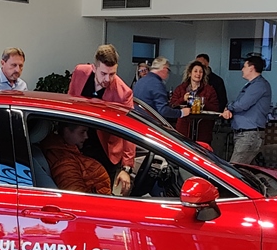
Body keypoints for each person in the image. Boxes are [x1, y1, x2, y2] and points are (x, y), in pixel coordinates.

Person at [67, 44, 136, 195]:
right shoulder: (80, 72)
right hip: (77, 142)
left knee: (101, 195)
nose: (108, 79)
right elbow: (69, 103)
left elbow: (129, 130)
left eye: (112, 74)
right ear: (94, 67)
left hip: (104, 148)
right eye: (104, 73)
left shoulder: (123, 93)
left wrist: (127, 168)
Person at [222, 55, 272, 165]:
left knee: (234, 169)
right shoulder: (253, 85)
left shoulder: (258, 85)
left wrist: (229, 107)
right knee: (245, 170)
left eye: (244, 66)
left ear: (251, 68)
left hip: (249, 135)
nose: (242, 69)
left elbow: (242, 104)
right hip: (246, 134)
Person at [40, 123, 112, 195]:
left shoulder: (66, 151)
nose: (86, 136)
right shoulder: (64, 161)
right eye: (82, 132)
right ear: (66, 131)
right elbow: (76, 195)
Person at [170, 59, 219, 142]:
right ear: (190, 73)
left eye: (201, 72)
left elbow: (216, 108)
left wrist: (203, 102)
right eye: (195, 71)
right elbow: (172, 105)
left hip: (203, 131)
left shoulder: (209, 90)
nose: (198, 74)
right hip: (183, 130)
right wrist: (183, 99)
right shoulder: (181, 89)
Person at [133, 57, 191, 123]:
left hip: (138, 121)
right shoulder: (157, 84)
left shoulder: (139, 82)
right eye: (168, 70)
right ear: (164, 69)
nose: (168, 73)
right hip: (152, 123)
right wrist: (181, 113)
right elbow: (163, 110)